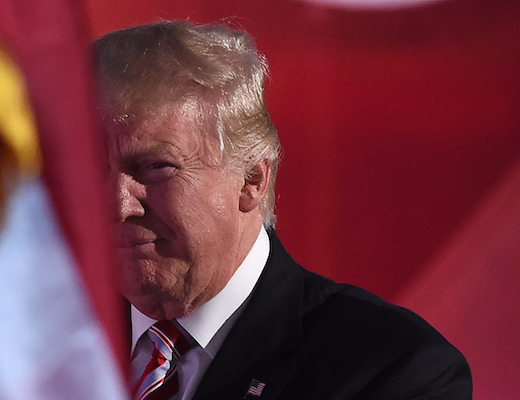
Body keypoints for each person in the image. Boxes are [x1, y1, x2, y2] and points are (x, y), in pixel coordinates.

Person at [93, 21, 472, 400]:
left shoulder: (395, 370)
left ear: (251, 180)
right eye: (92, 169)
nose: (117, 205)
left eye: (156, 167)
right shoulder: (46, 345)